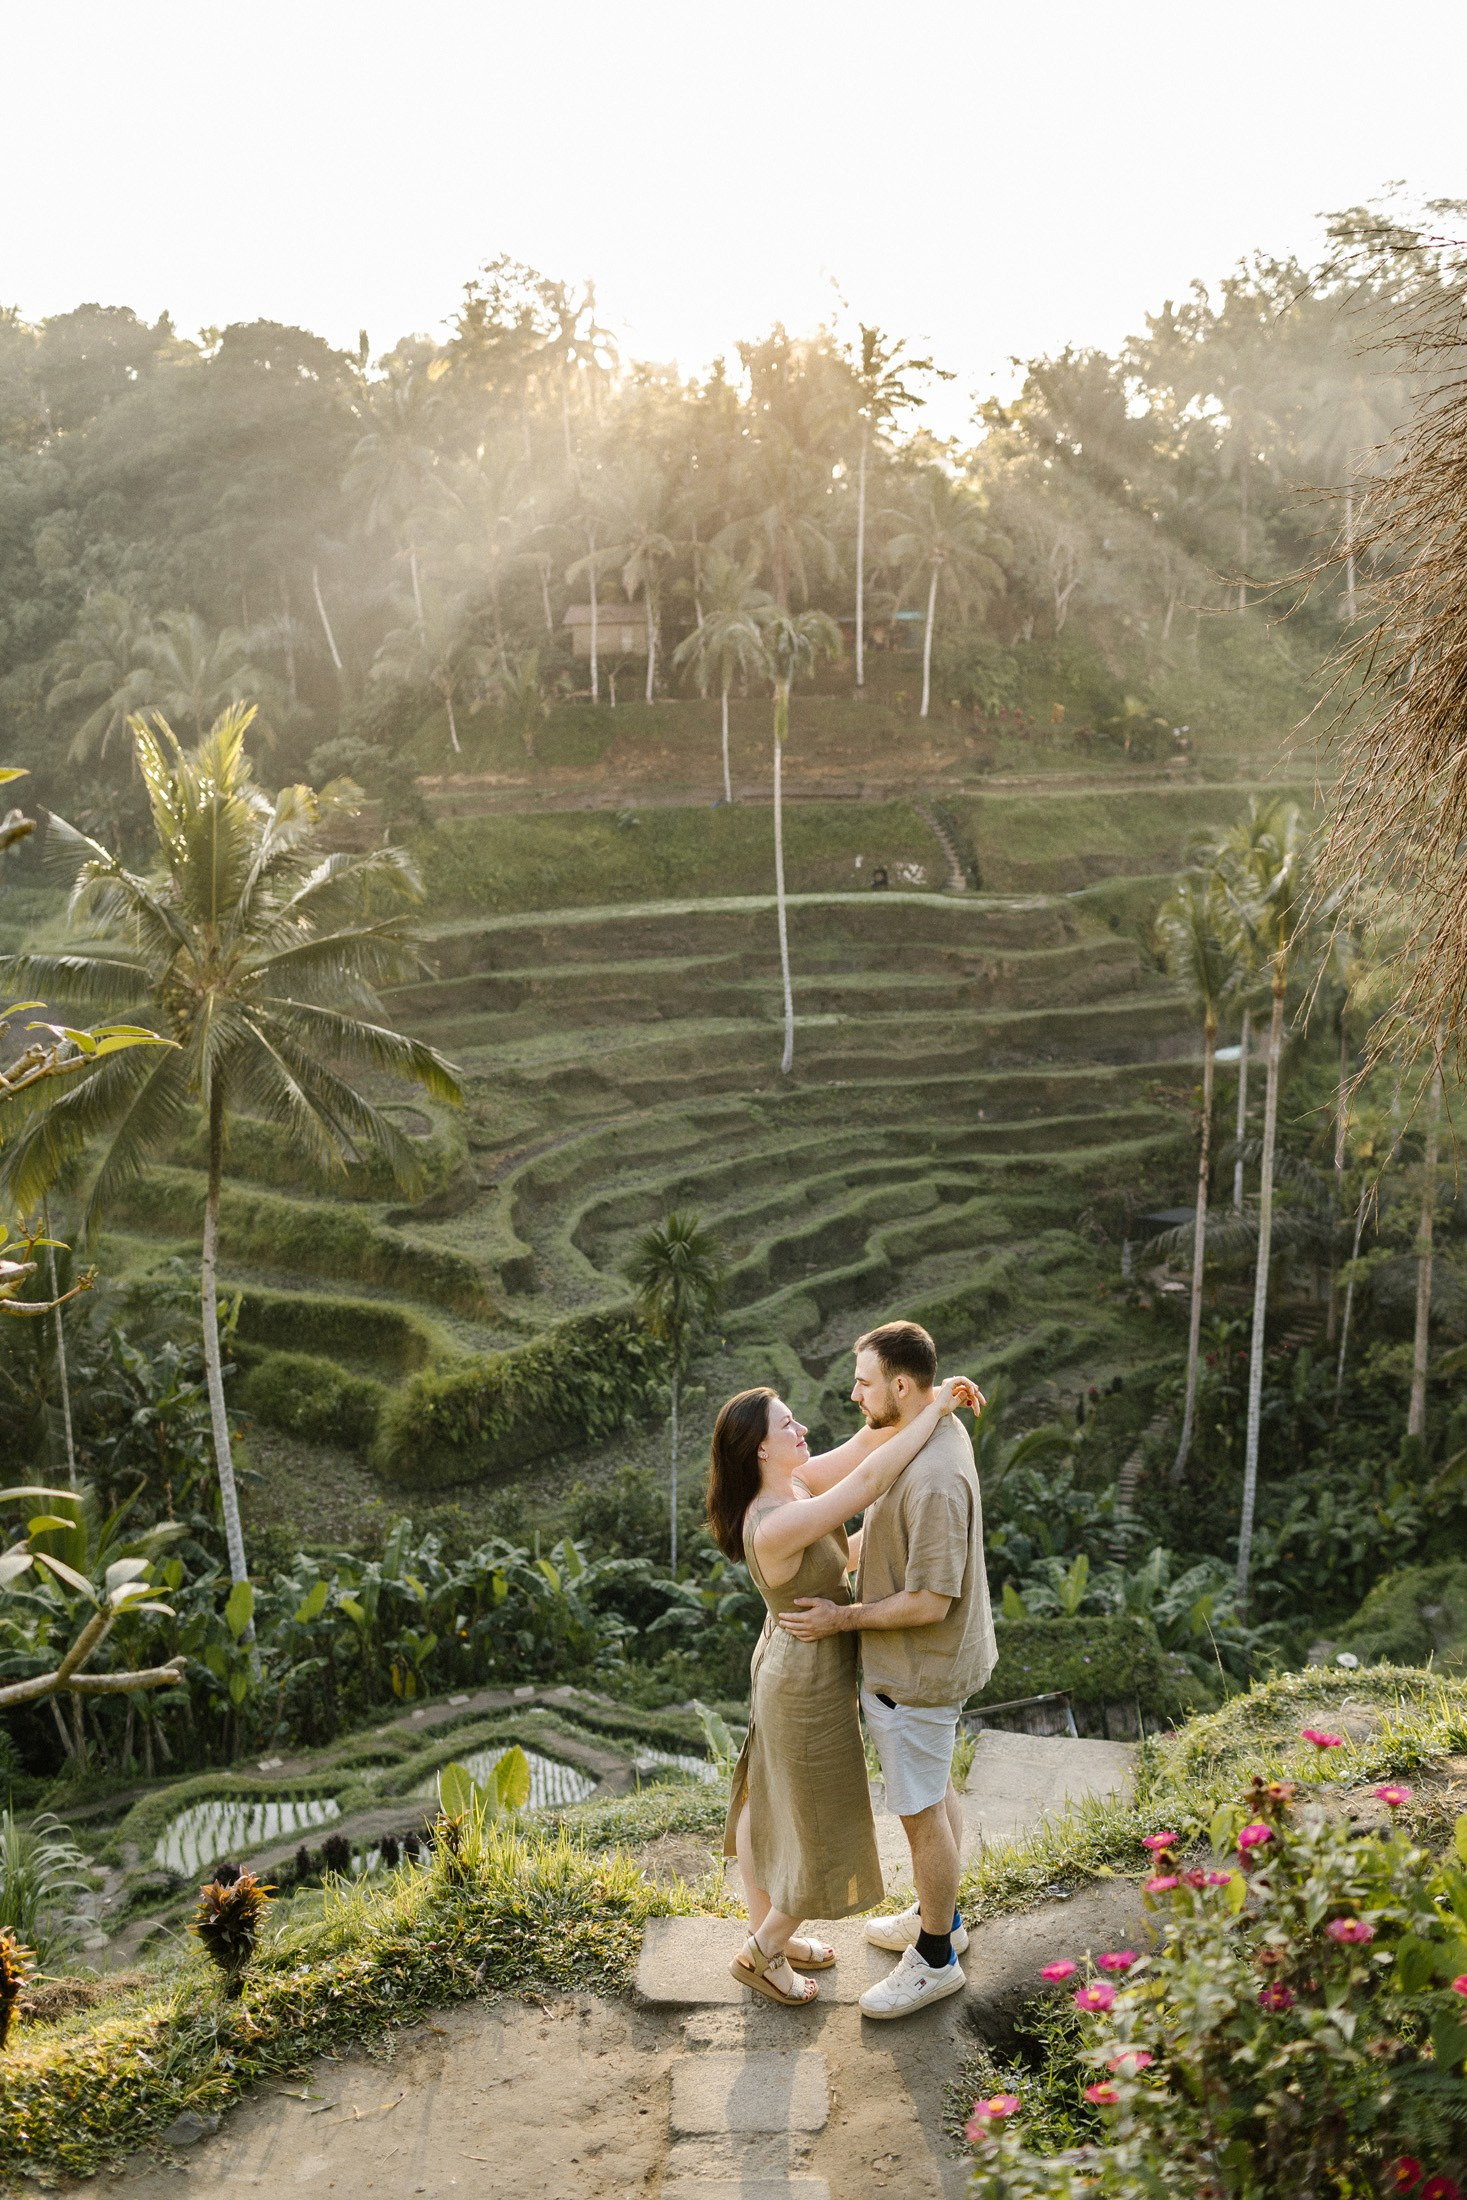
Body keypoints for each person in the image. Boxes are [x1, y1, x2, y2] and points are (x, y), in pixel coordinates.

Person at [708, 1374, 980, 2007]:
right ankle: (763, 1950)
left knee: (767, 1802)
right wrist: (936, 1408)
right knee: (818, 1820)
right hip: (803, 1681)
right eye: (788, 1426)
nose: (802, 1430)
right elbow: (865, 1483)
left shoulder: (793, 1483)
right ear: (760, 1451)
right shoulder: (775, 1521)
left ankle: (767, 1933)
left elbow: (862, 1449)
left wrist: (914, 1398)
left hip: (792, 1661)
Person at [780, 1319, 996, 2020]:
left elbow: (931, 1600)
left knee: (918, 1810)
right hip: (924, 1666)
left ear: (901, 1386)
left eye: (864, 1382)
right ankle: (944, 1919)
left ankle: (934, 1959)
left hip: (918, 1670)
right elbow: (886, 1521)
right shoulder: (929, 1428)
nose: (853, 1394)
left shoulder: (933, 1476)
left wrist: (839, 1618)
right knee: (932, 1793)